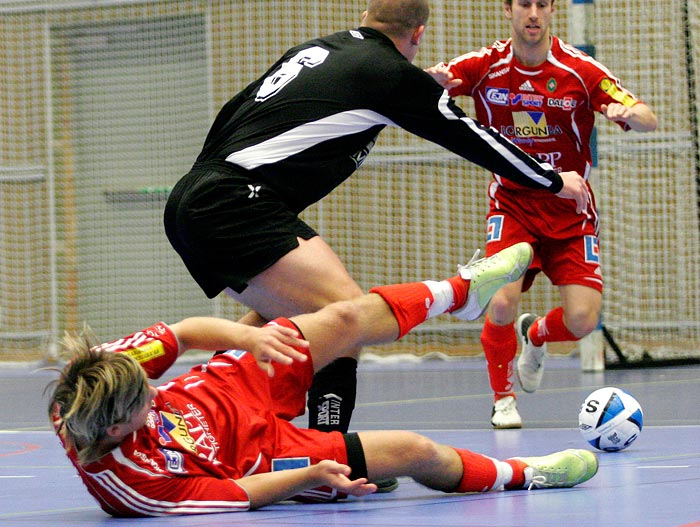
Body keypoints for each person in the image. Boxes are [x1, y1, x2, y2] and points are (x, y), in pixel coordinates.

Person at [162, 0, 590, 453]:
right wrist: (550, 180)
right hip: (236, 203)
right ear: (419, 34)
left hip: (200, 194)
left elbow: (235, 111)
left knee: (280, 324)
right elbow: (471, 136)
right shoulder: (388, 73)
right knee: (348, 317)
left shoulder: (318, 50)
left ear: (366, 16)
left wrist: (205, 193)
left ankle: (196, 425)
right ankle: (327, 450)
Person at [47, 243, 599, 517]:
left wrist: (249, 339)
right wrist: (312, 475)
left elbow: (188, 333)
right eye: (144, 403)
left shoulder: (101, 370)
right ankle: (525, 474)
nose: (152, 393)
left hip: (227, 385)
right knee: (412, 449)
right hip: (261, 457)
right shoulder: (133, 488)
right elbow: (240, 494)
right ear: (117, 430)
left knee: (342, 318)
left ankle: (461, 293)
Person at [426, 0, 657, 428]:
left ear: (552, 11)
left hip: (570, 211)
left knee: (583, 319)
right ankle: (503, 400)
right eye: (523, 4)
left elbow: (647, 117)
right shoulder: (483, 65)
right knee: (500, 303)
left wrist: (629, 114)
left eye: (541, 4)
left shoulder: (578, 70)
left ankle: (535, 335)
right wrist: (431, 81)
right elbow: (421, 89)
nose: (532, 14)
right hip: (514, 206)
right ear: (508, 10)